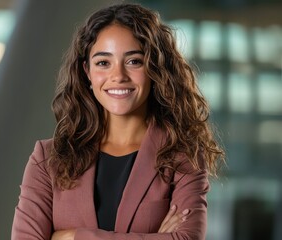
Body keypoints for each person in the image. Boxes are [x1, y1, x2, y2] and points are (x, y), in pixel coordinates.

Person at [12, 3, 224, 240]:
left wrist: (71, 237)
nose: (118, 76)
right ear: (87, 72)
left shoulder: (183, 157)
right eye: (103, 62)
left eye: (134, 61)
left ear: (154, 68)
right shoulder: (48, 158)